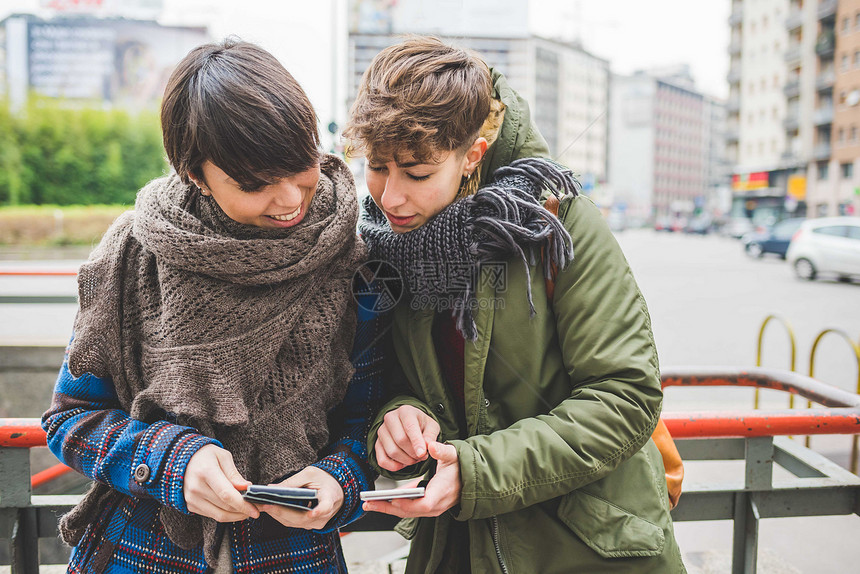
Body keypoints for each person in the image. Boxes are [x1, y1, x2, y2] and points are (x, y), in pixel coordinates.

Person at [344, 36, 686, 573]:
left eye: (416, 173)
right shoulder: (382, 245)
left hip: (586, 548)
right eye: (377, 167)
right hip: (455, 547)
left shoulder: (557, 224)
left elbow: (625, 396)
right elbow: (394, 381)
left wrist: (476, 471)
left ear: (472, 155)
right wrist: (399, 417)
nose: (390, 198)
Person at [41, 39, 383, 574]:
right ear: (195, 174)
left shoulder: (354, 258)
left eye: (301, 166)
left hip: (295, 557)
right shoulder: (135, 254)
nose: (290, 199)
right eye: (254, 184)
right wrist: (174, 463)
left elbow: (364, 421)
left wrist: (339, 478)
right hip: (140, 555)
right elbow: (71, 420)